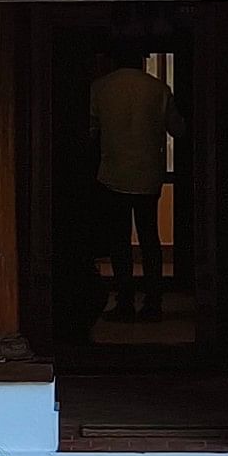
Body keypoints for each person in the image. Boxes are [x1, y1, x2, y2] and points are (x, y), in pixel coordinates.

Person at [85, 41, 181, 322]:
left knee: (119, 240)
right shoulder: (158, 89)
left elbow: (90, 131)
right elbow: (178, 128)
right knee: (150, 239)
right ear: (142, 60)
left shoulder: (100, 87)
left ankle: (124, 300)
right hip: (148, 173)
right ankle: (153, 302)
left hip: (112, 172)